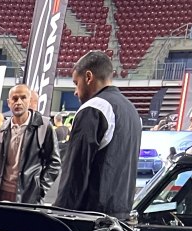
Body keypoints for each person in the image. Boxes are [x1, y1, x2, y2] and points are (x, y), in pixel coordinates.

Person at [53, 51, 141, 219]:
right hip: (119, 216)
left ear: (88, 77)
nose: (75, 91)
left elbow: (76, 172)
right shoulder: (130, 109)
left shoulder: (94, 108)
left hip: (90, 219)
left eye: (76, 83)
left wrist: (60, 217)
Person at [0, 85, 60, 204]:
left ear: (30, 100)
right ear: (9, 102)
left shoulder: (43, 126)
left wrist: (40, 190)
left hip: (29, 196)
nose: (18, 102)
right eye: (14, 99)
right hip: (1, 193)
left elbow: (54, 163)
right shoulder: (2, 129)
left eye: (23, 98)